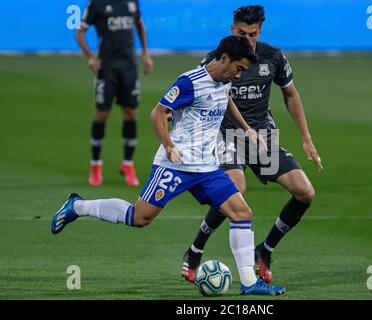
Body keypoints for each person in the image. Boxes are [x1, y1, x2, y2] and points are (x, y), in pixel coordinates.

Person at [51, 36, 286, 296]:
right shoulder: (190, 82)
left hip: (207, 167)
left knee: (242, 213)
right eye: (238, 69)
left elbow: (225, 101)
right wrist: (169, 146)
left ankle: (249, 283)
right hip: (175, 165)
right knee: (139, 218)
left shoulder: (224, 82)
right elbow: (158, 113)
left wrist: (247, 129)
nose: (239, 76)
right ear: (224, 59)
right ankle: (78, 206)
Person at [182, 5, 323, 284]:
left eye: (253, 34)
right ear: (232, 29)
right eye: (241, 33)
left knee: (305, 192)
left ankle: (266, 250)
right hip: (227, 134)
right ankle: (196, 249)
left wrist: (306, 138)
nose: (247, 39)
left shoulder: (273, 56)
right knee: (235, 190)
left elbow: (291, 95)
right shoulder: (217, 60)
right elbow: (195, 96)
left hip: (262, 136)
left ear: (261, 30)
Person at [76, 0, 154, 186]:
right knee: (102, 113)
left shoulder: (132, 2)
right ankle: (95, 165)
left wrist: (145, 54)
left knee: (130, 113)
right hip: (107, 68)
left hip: (129, 67)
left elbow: (139, 24)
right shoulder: (96, 4)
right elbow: (80, 32)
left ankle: (128, 164)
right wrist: (91, 57)